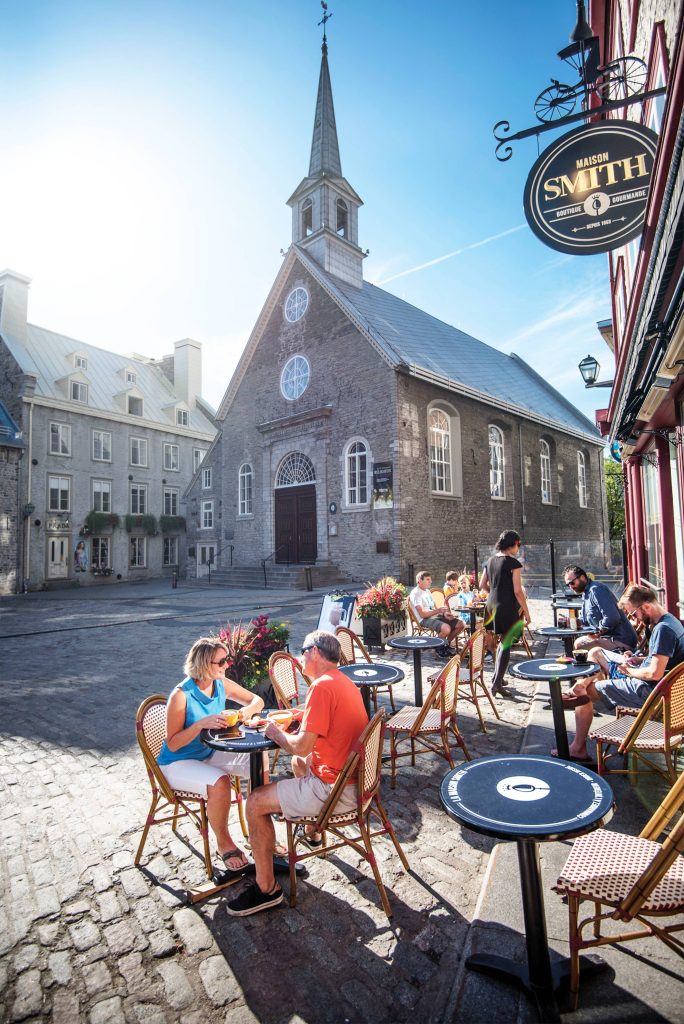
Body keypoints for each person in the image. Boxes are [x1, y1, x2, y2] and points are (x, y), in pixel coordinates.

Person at [226, 630, 368, 917]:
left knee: (254, 802)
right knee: (300, 765)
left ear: (315, 652)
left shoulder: (321, 687)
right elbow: (319, 730)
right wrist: (300, 716)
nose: (300, 656)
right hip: (357, 784)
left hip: (334, 792)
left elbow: (299, 745)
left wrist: (274, 731)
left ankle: (266, 889)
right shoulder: (341, 681)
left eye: (303, 650)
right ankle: (313, 834)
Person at [157, 637, 265, 874]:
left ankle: (261, 832)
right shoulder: (181, 695)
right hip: (177, 762)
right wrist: (199, 725)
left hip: (208, 752)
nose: (227, 665)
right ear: (205, 663)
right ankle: (224, 843)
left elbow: (257, 700)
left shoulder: (220, 683)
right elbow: (173, 744)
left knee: (258, 761)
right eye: (222, 661)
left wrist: (243, 713)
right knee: (220, 783)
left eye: (227, 660)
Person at [563, 583, 684, 761]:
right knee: (595, 654)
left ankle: (578, 748)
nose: (634, 620)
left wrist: (629, 672)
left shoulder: (663, 630)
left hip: (649, 692)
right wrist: (638, 660)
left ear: (647, 606)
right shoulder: (670, 621)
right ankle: (582, 684)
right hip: (661, 689)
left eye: (634, 614)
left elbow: (654, 674)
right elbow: (662, 660)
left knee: (584, 694)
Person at [479, 529, 531, 696]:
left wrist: (495, 592)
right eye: (519, 545)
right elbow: (517, 591)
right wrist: (527, 612)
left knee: (501, 642)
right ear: (514, 543)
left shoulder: (490, 560)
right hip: (506, 606)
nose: (519, 548)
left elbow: (482, 585)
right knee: (506, 644)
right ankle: (496, 684)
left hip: (491, 605)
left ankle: (498, 679)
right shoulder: (513, 563)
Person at [562, 565, 637, 653]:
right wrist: (572, 621)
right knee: (578, 643)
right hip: (607, 637)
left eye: (572, 583)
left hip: (621, 639)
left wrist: (598, 633)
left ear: (582, 577)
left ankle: (595, 665)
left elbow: (612, 618)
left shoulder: (596, 590)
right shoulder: (586, 593)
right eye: (568, 585)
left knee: (580, 650)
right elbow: (584, 620)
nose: (571, 587)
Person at [409, 570, 465, 654]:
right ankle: (437, 647)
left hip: (436, 616)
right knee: (446, 629)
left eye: (430, 579)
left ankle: (445, 645)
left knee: (461, 624)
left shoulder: (427, 591)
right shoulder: (416, 593)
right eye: (427, 579)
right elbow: (422, 614)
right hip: (424, 619)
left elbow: (434, 607)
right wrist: (438, 611)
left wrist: (444, 614)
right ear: (419, 581)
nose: (430, 581)